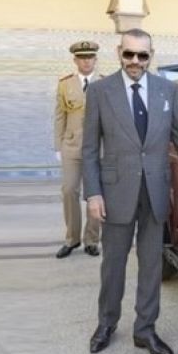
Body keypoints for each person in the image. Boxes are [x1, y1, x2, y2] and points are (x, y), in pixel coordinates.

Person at [82, 28, 178, 354]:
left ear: (150, 56)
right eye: (129, 54)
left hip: (155, 192)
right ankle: (106, 323)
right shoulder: (100, 91)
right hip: (115, 193)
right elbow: (89, 149)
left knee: (152, 265)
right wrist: (93, 193)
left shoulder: (168, 91)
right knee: (113, 264)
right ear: (119, 52)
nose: (135, 61)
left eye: (142, 55)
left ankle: (145, 330)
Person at [54, 40, 102, 258]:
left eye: (90, 57)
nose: (86, 61)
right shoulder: (65, 84)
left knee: (95, 192)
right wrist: (58, 145)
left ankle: (92, 240)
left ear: (95, 59)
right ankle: (71, 239)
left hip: (98, 148)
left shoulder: (105, 83)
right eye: (82, 58)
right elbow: (59, 116)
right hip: (72, 146)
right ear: (75, 60)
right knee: (69, 190)